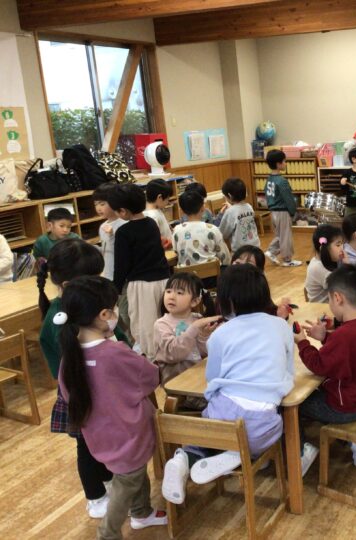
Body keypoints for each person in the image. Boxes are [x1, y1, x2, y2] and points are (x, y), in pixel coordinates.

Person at [161, 264, 295, 504]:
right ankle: (239, 455)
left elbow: (212, 377)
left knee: (209, 432)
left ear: (226, 300)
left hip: (223, 412)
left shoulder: (221, 333)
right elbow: (288, 370)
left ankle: (185, 458)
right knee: (275, 429)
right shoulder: (280, 325)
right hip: (261, 421)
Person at [57, 276, 167, 538]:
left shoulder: (70, 357)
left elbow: (67, 394)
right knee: (127, 482)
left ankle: (141, 512)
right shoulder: (114, 352)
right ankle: (108, 532)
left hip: (99, 434)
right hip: (128, 432)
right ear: (104, 314)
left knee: (132, 473)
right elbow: (151, 376)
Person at [37, 238, 127, 519]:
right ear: (67, 285)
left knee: (104, 440)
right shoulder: (58, 318)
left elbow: (117, 337)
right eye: (91, 279)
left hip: (103, 388)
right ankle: (95, 497)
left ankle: (108, 481)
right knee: (87, 445)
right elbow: (61, 364)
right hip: (80, 392)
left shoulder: (88, 305)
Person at [295, 265, 356, 468]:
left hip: (344, 407)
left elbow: (318, 365)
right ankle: (355, 440)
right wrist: (326, 337)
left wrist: (302, 342)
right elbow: (355, 351)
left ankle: (301, 453)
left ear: (337, 298)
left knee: (294, 405)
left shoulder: (344, 335)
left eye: (329, 299)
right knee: (317, 391)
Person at [108, 183, 171, 359]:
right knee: (163, 319)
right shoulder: (151, 223)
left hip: (141, 285)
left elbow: (121, 265)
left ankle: (153, 359)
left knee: (146, 326)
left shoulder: (123, 232)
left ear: (123, 211)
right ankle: (166, 354)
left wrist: (115, 289)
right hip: (163, 280)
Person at [154, 272, 221, 410]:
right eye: (168, 291)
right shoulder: (161, 324)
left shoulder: (197, 318)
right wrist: (194, 328)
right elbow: (174, 354)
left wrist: (204, 335)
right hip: (179, 388)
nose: (171, 296)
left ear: (195, 301)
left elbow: (203, 354)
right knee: (216, 406)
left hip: (199, 380)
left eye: (179, 293)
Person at [174, 190, 231, 268]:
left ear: (181, 211)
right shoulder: (212, 229)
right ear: (203, 208)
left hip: (186, 274)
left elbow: (176, 252)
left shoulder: (176, 230)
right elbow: (225, 257)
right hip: (211, 273)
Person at [264, 150, 302, 266]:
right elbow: (289, 199)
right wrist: (293, 212)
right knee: (285, 235)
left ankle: (271, 251)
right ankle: (287, 260)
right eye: (284, 161)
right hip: (282, 211)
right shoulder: (282, 181)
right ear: (278, 164)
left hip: (273, 211)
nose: (285, 163)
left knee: (280, 235)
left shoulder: (269, 179)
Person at [93, 183, 127, 281]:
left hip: (122, 274)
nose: (98, 208)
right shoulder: (102, 227)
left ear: (115, 202)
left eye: (102, 204)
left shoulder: (124, 224)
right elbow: (105, 249)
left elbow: (123, 251)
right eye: (95, 204)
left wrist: (112, 235)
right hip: (107, 272)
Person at [218, 177, 260, 252]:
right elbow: (240, 213)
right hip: (256, 246)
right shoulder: (249, 207)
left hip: (241, 251)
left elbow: (223, 233)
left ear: (229, 196)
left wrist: (221, 214)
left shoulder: (230, 212)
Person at [305, 224, 344, 303]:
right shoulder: (319, 268)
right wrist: (348, 265)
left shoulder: (318, 261)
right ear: (324, 248)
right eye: (338, 245)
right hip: (321, 309)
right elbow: (346, 289)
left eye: (342, 244)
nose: (342, 249)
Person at [143, 178, 173, 248]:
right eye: (167, 199)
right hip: (164, 250)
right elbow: (155, 239)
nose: (168, 202)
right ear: (159, 197)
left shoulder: (157, 210)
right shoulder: (152, 216)